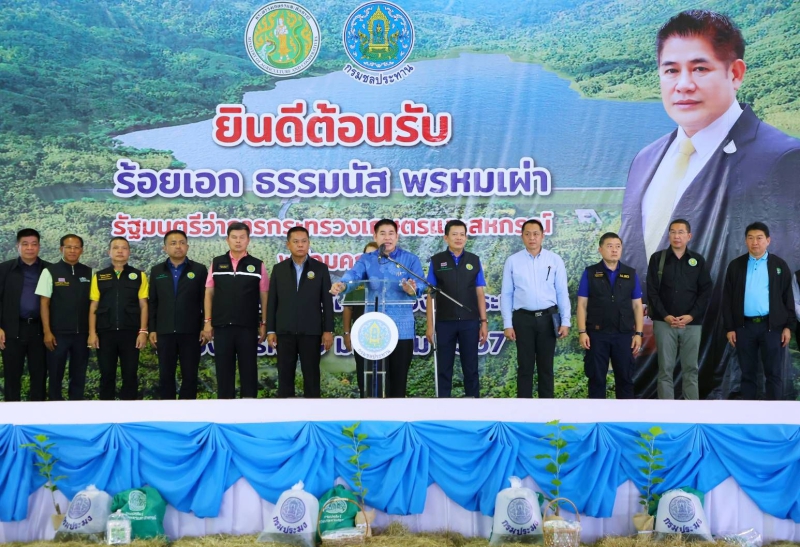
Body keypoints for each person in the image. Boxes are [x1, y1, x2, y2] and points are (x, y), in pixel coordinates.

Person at [619, 10, 800, 399]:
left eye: (700, 68)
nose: (683, 84)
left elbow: (785, 290)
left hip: (736, 386)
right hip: (650, 380)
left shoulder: (780, 159)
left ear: (735, 73)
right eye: (671, 70)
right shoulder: (645, 161)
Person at [330, 219, 425, 398]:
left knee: (398, 381)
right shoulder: (367, 259)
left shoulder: (409, 259)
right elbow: (353, 276)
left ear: (397, 236)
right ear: (375, 236)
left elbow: (420, 284)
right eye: (382, 233)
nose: (387, 237)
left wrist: (412, 289)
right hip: (374, 329)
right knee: (373, 382)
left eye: (391, 233)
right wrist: (343, 285)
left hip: (402, 327)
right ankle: (371, 414)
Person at [722, 222, 795, 401]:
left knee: (774, 373)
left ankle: (774, 412)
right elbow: (727, 299)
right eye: (751, 238)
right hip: (744, 327)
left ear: (768, 240)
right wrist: (730, 328)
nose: (755, 242)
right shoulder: (736, 266)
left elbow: (788, 298)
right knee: (747, 373)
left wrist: (788, 327)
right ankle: (749, 413)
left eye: (759, 238)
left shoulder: (779, 265)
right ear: (745, 241)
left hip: (772, 326)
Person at [500, 219, 570, 398]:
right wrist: (507, 324)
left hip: (548, 318)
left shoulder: (554, 260)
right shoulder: (513, 261)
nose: (532, 238)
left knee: (546, 367)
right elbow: (506, 294)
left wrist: (565, 321)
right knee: (525, 366)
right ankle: (524, 408)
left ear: (543, 236)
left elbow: (562, 292)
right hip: (523, 319)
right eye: (528, 234)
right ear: (522, 236)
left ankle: (547, 409)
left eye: (536, 234)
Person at [646, 219, 712, 400]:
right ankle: (666, 411)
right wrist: (665, 315)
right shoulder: (657, 259)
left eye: (681, 232)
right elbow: (652, 291)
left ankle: (691, 410)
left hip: (691, 324)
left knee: (691, 369)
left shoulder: (697, 260)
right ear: (668, 235)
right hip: (664, 323)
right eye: (673, 232)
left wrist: (691, 315)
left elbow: (706, 291)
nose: (677, 236)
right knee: (665, 370)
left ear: (689, 236)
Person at [201, 222, 268, 399]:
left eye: (242, 237)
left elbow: (264, 296)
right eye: (234, 237)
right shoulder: (217, 263)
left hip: (248, 327)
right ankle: (225, 410)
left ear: (248, 240)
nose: (238, 241)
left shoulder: (257, 265)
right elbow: (209, 293)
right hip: (222, 327)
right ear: (227, 240)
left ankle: (249, 408)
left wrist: (264, 323)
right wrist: (207, 322)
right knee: (224, 373)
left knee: (249, 372)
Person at [266, 227, 333, 398]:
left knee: (311, 376)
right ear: (288, 244)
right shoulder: (279, 269)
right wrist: (271, 330)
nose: (300, 245)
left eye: (304, 241)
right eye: (296, 242)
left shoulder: (320, 269)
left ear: (309, 243)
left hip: (311, 332)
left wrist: (328, 330)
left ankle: (313, 411)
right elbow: (272, 302)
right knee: (285, 376)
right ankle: (285, 412)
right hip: (284, 332)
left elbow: (327, 302)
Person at [577, 232, 644, 399]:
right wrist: (582, 332)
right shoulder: (590, 273)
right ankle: (597, 414)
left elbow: (637, 306)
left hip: (623, 334)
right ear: (600, 249)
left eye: (618, 246)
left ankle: (625, 415)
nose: (614, 250)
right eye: (610, 246)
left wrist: (638, 333)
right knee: (596, 379)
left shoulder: (630, 273)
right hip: (597, 334)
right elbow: (582, 305)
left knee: (625, 379)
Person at [426, 220, 488, 398]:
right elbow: (430, 295)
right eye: (454, 234)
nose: (458, 238)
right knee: (444, 368)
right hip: (444, 322)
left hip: (470, 322)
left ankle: (473, 403)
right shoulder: (437, 260)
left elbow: (480, 294)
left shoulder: (474, 260)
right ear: (446, 237)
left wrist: (483, 322)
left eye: (462, 234)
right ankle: (443, 406)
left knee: (471, 368)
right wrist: (430, 326)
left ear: (466, 238)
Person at [148, 230, 207, 400]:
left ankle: (187, 411)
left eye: (182, 243)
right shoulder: (157, 271)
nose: (178, 246)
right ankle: (167, 411)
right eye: (173, 243)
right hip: (164, 331)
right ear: (165, 248)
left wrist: (205, 326)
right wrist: (152, 329)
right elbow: (153, 302)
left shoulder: (199, 269)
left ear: (187, 246)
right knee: (166, 375)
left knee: (190, 375)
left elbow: (205, 301)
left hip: (191, 331)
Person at [88, 237, 149, 400]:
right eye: (116, 248)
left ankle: (129, 411)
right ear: (109, 252)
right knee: (106, 374)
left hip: (131, 333)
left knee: (130, 374)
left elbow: (144, 305)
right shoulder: (99, 276)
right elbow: (93, 306)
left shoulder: (139, 276)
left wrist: (143, 331)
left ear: (129, 252)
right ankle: (106, 410)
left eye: (124, 248)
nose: (120, 251)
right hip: (105, 333)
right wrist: (92, 333)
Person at [36, 234, 92, 401]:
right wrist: (47, 331)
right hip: (57, 334)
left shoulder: (89, 272)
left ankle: (76, 408)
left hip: (82, 334)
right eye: (68, 247)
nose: (72, 250)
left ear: (81, 250)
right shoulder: (50, 271)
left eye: (76, 247)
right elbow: (44, 303)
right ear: (61, 249)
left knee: (79, 375)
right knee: (55, 374)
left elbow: (93, 304)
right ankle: (55, 407)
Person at [0, 228, 50, 401]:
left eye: (34, 244)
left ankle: (38, 413)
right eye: (25, 244)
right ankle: (11, 413)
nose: (30, 248)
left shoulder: (49, 269)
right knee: (12, 375)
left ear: (39, 246)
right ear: (18, 246)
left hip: (40, 330)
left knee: (39, 375)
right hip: (12, 329)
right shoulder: (4, 269)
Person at [343, 242, 379, 397]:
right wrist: (346, 333)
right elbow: (348, 308)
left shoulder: (386, 281)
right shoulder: (355, 281)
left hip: (383, 333)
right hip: (360, 334)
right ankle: (365, 400)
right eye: (367, 255)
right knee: (363, 371)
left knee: (383, 371)